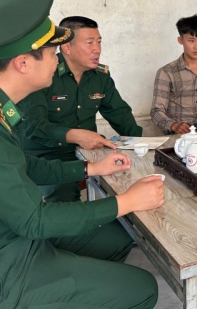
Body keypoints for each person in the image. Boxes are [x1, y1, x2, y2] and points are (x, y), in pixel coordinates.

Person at [0, 0, 164, 308]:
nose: (57, 61)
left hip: (8, 232)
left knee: (117, 237)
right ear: (23, 63)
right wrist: (126, 201)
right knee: (144, 287)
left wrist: (89, 167)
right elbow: (34, 220)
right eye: (52, 54)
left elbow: (19, 164)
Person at [15, 15, 142, 202]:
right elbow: (33, 125)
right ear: (67, 47)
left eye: (99, 42)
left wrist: (140, 145)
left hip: (89, 152)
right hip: (46, 157)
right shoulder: (42, 74)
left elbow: (120, 113)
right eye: (89, 43)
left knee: (130, 176)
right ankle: (70, 229)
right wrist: (75, 135)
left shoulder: (100, 76)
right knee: (65, 192)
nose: (97, 49)